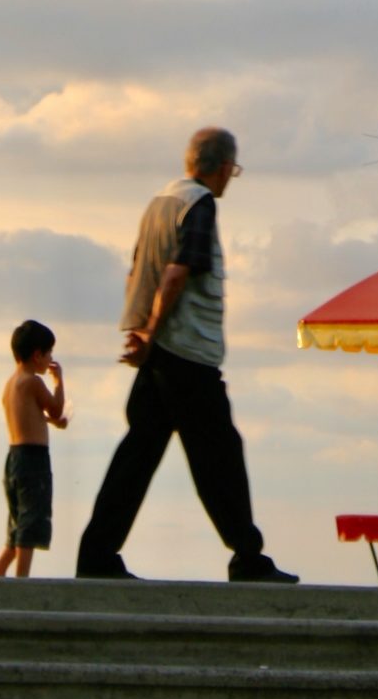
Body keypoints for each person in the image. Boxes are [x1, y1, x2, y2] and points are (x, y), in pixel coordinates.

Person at [77, 128, 296, 585]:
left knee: (137, 455)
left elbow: (139, 271)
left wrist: (140, 335)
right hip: (188, 355)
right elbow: (176, 274)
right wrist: (156, 332)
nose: (230, 179)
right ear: (221, 167)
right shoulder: (200, 204)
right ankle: (247, 557)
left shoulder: (160, 201)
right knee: (220, 456)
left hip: (159, 355)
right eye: (232, 170)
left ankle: (96, 554)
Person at [0, 319, 66, 578]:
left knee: (16, 525)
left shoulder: (11, 384)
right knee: (30, 521)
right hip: (33, 458)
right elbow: (56, 407)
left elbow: (33, 415)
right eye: (49, 353)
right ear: (38, 355)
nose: (50, 359)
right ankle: (21, 580)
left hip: (14, 458)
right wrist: (58, 382)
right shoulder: (33, 382)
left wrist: (52, 421)